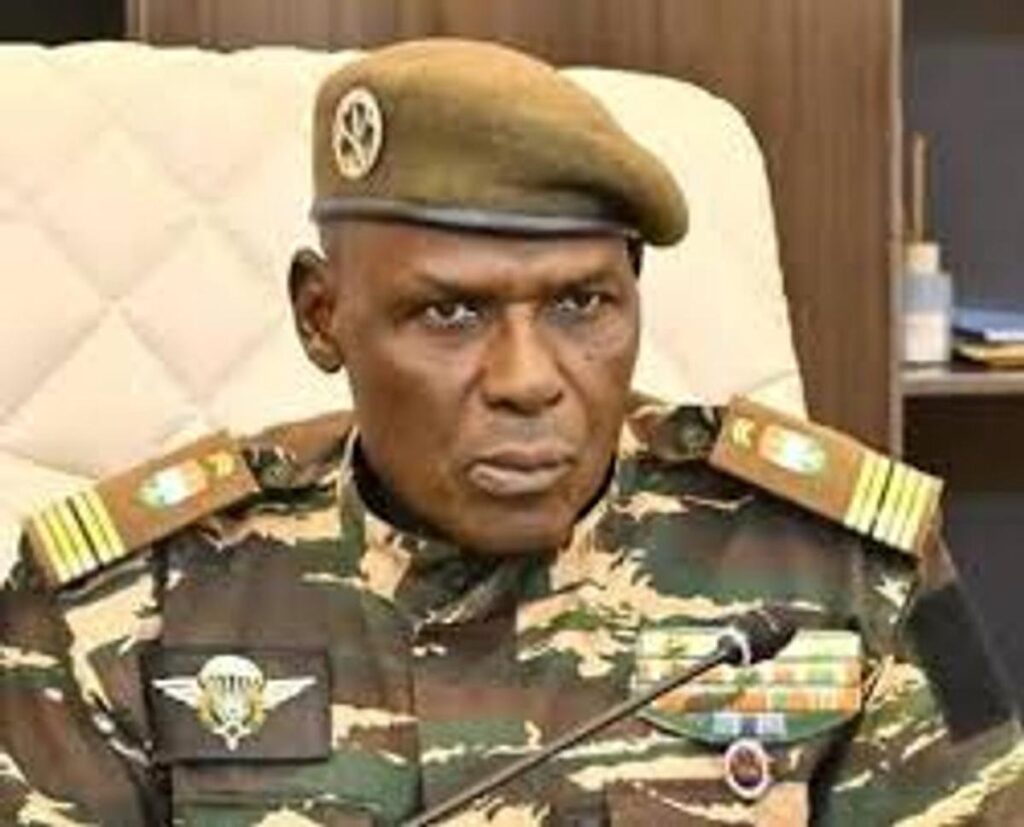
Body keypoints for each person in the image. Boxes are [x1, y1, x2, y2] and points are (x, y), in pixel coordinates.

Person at [1, 39, 1021, 826]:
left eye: (581, 304)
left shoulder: (858, 572)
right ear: (322, 315)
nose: (529, 380)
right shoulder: (116, 605)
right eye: (449, 313)